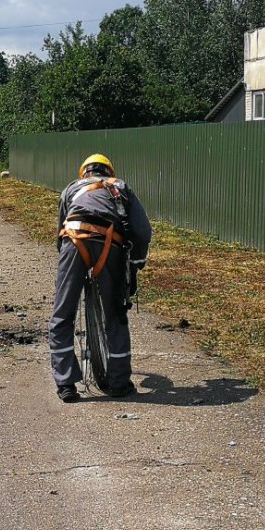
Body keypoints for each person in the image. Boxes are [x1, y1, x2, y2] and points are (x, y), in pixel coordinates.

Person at [48, 153, 152, 402]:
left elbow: (62, 227)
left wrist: (67, 268)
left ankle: (66, 384)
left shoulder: (71, 188)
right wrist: (136, 263)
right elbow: (141, 230)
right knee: (115, 314)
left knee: (62, 314)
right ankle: (119, 383)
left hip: (74, 240)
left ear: (84, 172)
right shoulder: (120, 186)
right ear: (109, 171)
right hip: (109, 243)